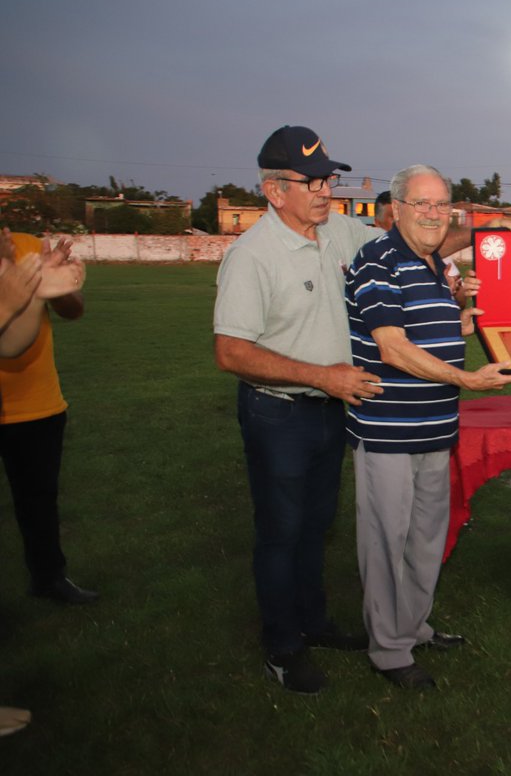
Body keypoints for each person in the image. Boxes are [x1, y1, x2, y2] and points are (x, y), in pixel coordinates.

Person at [214, 125, 385, 694]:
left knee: (316, 525)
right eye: (311, 180)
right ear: (273, 189)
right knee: (281, 531)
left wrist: (460, 228)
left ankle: (314, 622)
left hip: (328, 410)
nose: (324, 189)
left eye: (328, 177)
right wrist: (322, 376)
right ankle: (282, 646)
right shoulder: (251, 255)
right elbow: (231, 351)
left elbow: (393, 237)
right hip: (279, 414)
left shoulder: (336, 230)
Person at [346, 165, 511, 688]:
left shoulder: (430, 263)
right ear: (396, 209)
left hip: (435, 429)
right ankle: (388, 651)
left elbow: (437, 330)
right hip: (388, 430)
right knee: (385, 540)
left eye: (441, 203)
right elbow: (393, 348)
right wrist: (466, 380)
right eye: (421, 203)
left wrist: (469, 318)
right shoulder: (377, 259)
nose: (432, 213)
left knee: (425, 536)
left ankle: (413, 626)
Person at [1, 232, 94, 605]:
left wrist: (53, 286)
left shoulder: (27, 247)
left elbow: (14, 344)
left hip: (37, 404)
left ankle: (49, 579)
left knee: (39, 502)